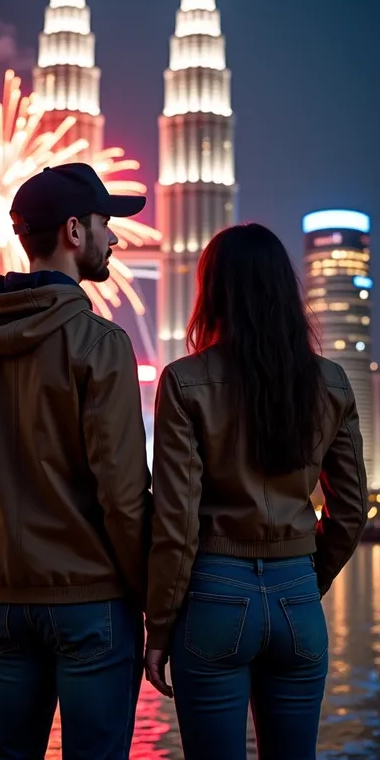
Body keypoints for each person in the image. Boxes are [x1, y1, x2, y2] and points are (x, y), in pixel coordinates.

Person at [0, 163, 152, 760]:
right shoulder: (100, 344)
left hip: (7, 603)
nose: (114, 239)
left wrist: (7, 558)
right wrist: (153, 600)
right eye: (106, 223)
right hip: (94, 603)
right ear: (75, 232)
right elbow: (124, 496)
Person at [145, 223, 368, 760]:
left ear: (212, 291)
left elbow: (176, 523)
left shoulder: (184, 381)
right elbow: (352, 508)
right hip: (297, 594)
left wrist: (158, 629)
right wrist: (305, 580)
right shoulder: (331, 382)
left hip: (214, 592)